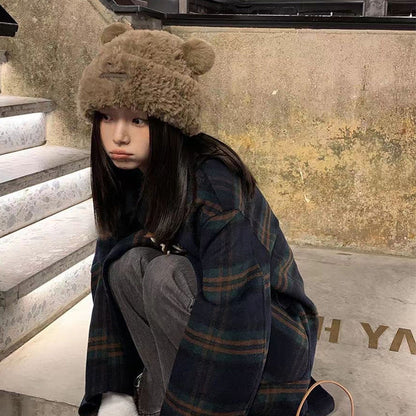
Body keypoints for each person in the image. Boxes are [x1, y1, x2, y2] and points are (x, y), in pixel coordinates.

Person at [76, 22, 335, 416]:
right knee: (124, 267)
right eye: (107, 117)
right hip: (207, 314)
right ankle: (160, 400)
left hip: (264, 329)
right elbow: (106, 277)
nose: (119, 136)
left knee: (166, 277)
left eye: (138, 120)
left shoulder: (211, 182)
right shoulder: (126, 177)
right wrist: (114, 391)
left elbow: (235, 303)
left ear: (168, 121)